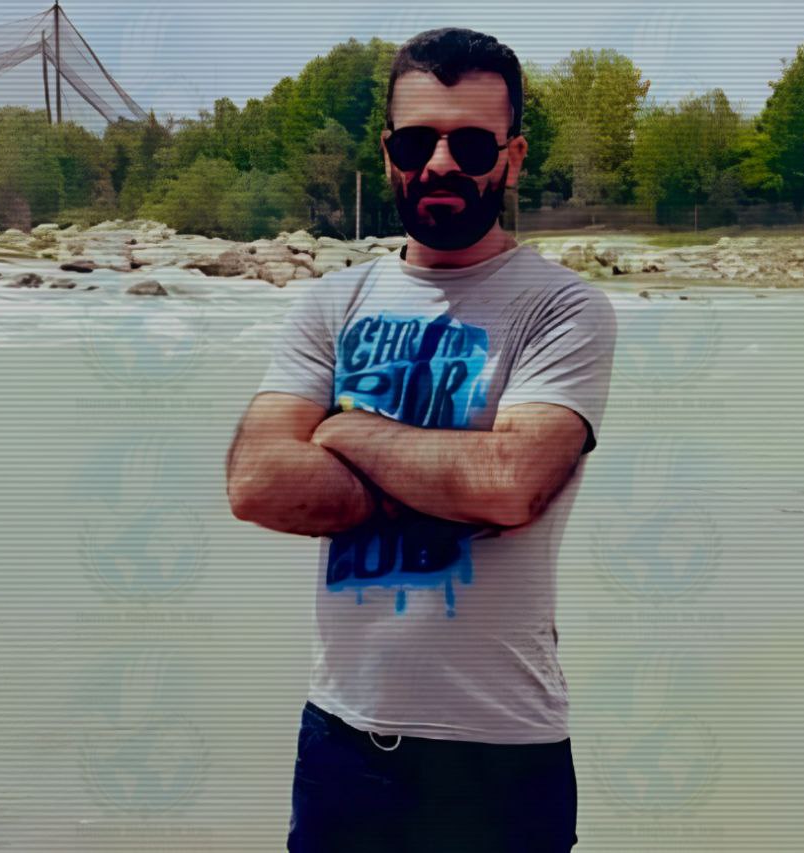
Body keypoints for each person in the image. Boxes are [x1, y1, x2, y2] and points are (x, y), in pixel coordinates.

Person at [226, 26, 618, 853]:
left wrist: (344, 428)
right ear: (389, 153)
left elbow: (509, 483)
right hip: (341, 745)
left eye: (470, 145)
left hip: (501, 757)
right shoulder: (330, 304)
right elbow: (258, 482)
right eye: (417, 142)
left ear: (512, 158)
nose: (441, 164)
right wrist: (448, 479)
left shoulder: (562, 308)